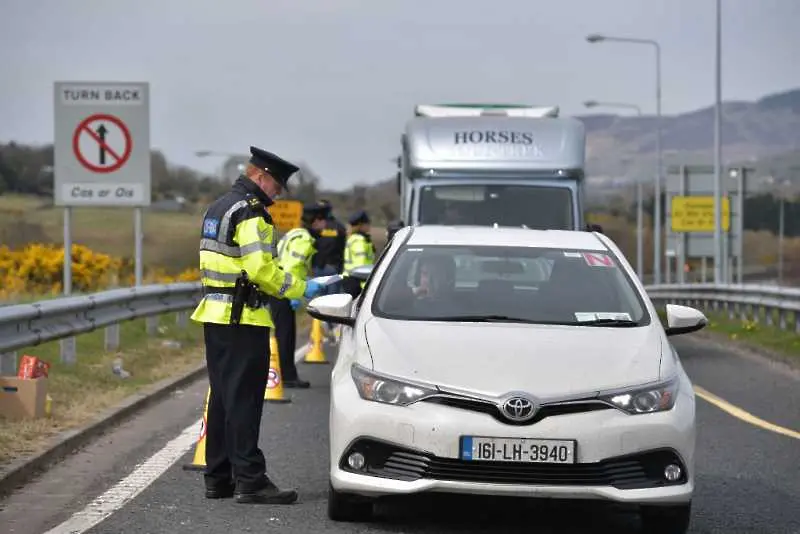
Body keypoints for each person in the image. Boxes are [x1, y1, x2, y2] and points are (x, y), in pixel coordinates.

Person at [190, 146, 323, 505]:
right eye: (277, 185)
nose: (278, 193)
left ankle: (218, 478)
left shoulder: (218, 207)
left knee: (222, 398)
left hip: (216, 316)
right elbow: (260, 269)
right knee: (246, 400)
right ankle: (251, 480)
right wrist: (301, 288)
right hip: (243, 319)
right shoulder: (251, 214)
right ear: (260, 176)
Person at [271, 203, 329, 389]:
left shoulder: (294, 233)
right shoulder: (304, 239)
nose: (325, 225)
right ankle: (287, 376)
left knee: (283, 332)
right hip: (285, 289)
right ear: (315, 221)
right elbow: (292, 266)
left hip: (277, 286)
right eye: (323, 221)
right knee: (286, 334)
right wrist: (294, 293)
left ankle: (285, 373)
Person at [342, 210, 376, 297]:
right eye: (367, 223)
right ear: (361, 225)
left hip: (351, 279)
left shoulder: (354, 238)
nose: (369, 226)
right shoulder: (359, 241)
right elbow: (361, 266)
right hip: (357, 281)